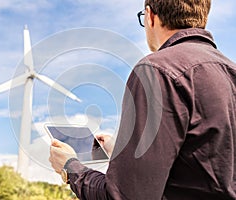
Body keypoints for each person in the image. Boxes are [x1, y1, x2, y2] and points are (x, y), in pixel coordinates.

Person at [49, 0, 236, 199]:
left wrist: (70, 168)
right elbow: (204, 167)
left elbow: (125, 196)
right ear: (203, 17)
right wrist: (124, 153)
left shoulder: (157, 70)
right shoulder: (230, 71)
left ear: (149, 16)